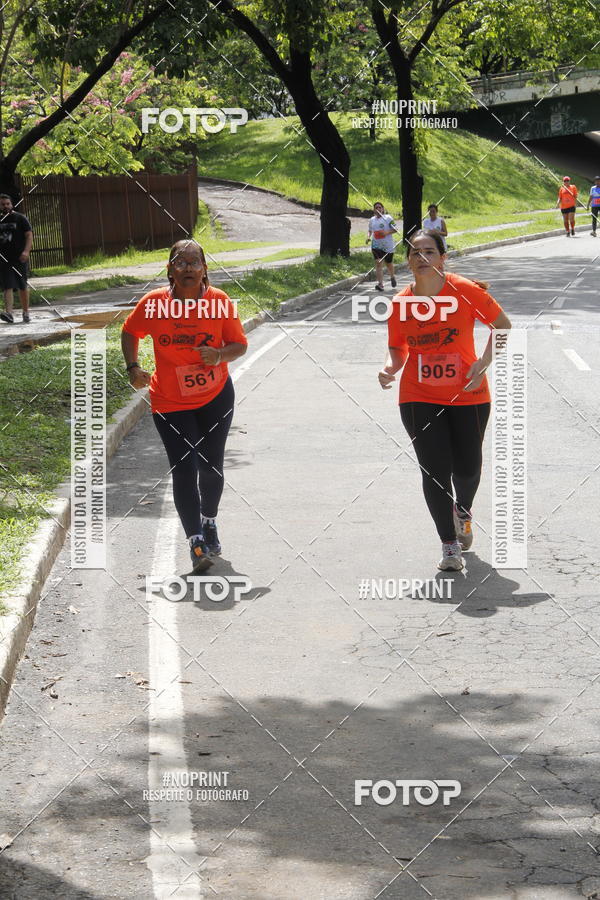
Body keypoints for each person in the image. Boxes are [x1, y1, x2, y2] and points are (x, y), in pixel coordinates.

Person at [378, 230, 511, 571]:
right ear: (408, 261)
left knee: (468, 468)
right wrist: (391, 367)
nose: (421, 258)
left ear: (442, 257)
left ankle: (462, 510)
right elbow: (398, 346)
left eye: (428, 252)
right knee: (435, 471)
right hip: (418, 395)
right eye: (415, 253)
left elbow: (503, 326)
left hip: (469, 392)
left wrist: (483, 364)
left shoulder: (464, 291)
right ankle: (449, 545)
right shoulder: (401, 303)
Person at [121, 239, 248, 572]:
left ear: (205, 269)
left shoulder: (219, 303)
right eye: (181, 262)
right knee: (184, 468)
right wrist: (133, 367)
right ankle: (195, 543)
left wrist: (219, 355)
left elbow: (240, 344)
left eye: (195, 263)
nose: (188, 268)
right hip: (169, 401)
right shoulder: (153, 305)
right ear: (169, 270)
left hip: (216, 396)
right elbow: (129, 330)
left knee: (210, 467)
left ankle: (209, 520)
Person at [0, 194, 33, 324]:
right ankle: (9, 314)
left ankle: (26, 312)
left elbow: (29, 235)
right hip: (4, 259)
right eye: (2, 204)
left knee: (22, 285)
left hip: (20, 258)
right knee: (7, 286)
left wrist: (26, 251)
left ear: (11, 204)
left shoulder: (20, 218)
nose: (5, 206)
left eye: (7, 204)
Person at [366, 201, 398, 291]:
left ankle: (392, 276)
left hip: (388, 245)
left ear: (383, 209)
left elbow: (395, 229)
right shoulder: (372, 220)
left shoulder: (388, 218)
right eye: (376, 208)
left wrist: (386, 232)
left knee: (388, 263)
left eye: (380, 207)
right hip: (376, 245)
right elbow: (370, 230)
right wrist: (368, 237)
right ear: (374, 210)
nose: (378, 209)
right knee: (378, 263)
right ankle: (380, 284)